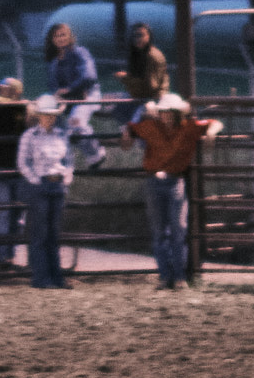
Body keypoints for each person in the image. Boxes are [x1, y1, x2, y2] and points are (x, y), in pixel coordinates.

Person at [123, 92, 221, 290]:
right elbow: (130, 130)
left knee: (177, 229)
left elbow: (215, 123)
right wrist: (127, 134)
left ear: (177, 114)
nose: (166, 116)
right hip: (155, 180)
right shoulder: (152, 127)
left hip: (173, 180)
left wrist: (211, 132)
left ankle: (177, 277)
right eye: (163, 112)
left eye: (170, 112)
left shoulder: (188, 127)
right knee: (161, 231)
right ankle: (167, 276)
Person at [17, 94, 74, 290]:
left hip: (57, 185)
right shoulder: (30, 137)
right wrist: (36, 180)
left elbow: (69, 160)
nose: (49, 118)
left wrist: (66, 177)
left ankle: (55, 277)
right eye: (45, 115)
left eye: (52, 115)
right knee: (41, 233)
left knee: (53, 233)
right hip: (40, 185)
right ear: (39, 116)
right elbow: (23, 163)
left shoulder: (61, 135)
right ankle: (42, 277)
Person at [44, 21, 104, 168]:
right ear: (52, 40)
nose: (60, 38)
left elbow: (89, 76)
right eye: (56, 36)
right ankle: (64, 165)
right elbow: (54, 86)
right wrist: (57, 96)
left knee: (76, 124)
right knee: (56, 127)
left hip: (88, 94)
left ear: (70, 36)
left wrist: (70, 89)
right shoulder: (54, 62)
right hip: (70, 99)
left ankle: (96, 154)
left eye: (63, 35)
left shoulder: (79, 52)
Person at [0, 77, 29, 270]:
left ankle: (8, 256)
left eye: (5, 88)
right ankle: (0, 257)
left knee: (16, 215)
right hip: (3, 166)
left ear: (15, 91)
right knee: (3, 213)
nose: (0, 91)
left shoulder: (24, 110)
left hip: (19, 168)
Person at [116, 22, 170, 126]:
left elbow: (151, 87)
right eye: (134, 36)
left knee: (135, 123)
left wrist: (125, 78)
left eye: (140, 35)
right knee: (118, 110)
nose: (137, 39)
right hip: (141, 95)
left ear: (149, 36)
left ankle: (131, 135)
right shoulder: (138, 54)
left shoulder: (152, 56)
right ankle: (124, 135)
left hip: (154, 98)